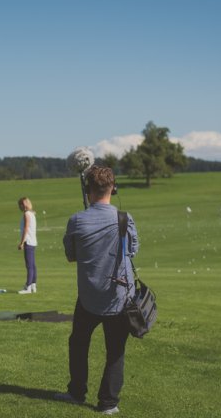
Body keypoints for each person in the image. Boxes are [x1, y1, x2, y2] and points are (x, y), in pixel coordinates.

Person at [56, 165, 139, 415]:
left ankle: (76, 392)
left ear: (87, 189)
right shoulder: (125, 218)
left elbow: (71, 256)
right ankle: (108, 403)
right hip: (119, 298)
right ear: (113, 188)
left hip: (89, 298)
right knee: (115, 351)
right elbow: (133, 250)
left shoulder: (76, 220)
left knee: (78, 344)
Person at [17, 197, 38, 294]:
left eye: (20, 205)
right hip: (33, 241)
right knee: (33, 265)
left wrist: (21, 242)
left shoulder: (26, 214)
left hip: (28, 242)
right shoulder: (32, 214)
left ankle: (28, 287)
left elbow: (25, 229)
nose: (19, 207)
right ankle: (33, 285)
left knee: (29, 265)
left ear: (23, 204)